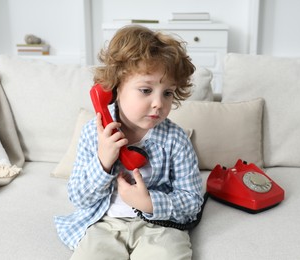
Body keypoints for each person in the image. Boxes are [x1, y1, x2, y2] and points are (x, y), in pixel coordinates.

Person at [55, 25, 203, 260]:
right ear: (114, 89)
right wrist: (103, 162)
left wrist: (149, 202)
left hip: (159, 225)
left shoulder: (176, 139)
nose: (158, 103)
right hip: (103, 224)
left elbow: (192, 201)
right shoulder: (93, 133)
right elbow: (78, 198)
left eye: (167, 93)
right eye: (146, 90)